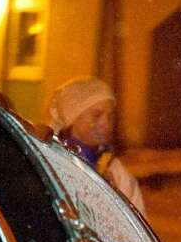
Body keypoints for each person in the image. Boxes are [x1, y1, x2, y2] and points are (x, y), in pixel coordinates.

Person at [47, 76, 147, 215]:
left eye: (110, 116)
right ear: (72, 117)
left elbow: (136, 229)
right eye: (96, 115)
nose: (106, 124)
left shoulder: (118, 174)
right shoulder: (50, 163)